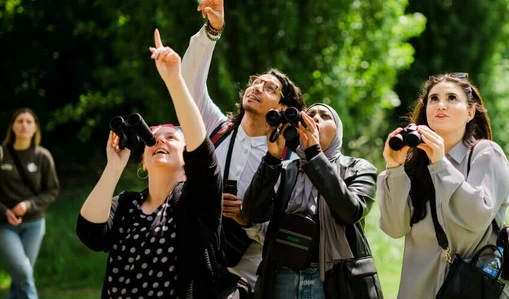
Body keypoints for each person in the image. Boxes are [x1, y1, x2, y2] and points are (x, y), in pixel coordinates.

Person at [76, 29, 240, 298]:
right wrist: (114, 166)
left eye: (171, 137)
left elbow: (202, 153)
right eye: (153, 137)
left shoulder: (198, 202)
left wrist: (174, 81)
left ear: (186, 157)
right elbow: (90, 232)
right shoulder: (126, 204)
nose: (159, 141)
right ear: (143, 161)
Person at [181, 0, 307, 291]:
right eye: (255, 82)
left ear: (284, 105)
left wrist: (246, 218)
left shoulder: (288, 159)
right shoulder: (216, 128)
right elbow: (188, 84)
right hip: (191, 261)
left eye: (269, 87)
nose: (256, 88)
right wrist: (212, 31)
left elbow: (285, 228)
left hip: (246, 278)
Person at [377, 73, 509, 298]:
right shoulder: (414, 166)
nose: (441, 105)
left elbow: (477, 217)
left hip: (472, 289)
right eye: (433, 99)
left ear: (470, 112)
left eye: (452, 98)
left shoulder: (486, 154)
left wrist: (440, 164)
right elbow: (395, 229)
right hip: (418, 290)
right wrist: (394, 169)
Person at [242, 103, 383, 299]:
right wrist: (272, 158)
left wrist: (315, 155)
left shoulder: (358, 168)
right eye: (309, 115)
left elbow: (350, 211)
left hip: (334, 279)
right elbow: (252, 213)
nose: (316, 119)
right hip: (282, 276)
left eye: (325, 116)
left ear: (338, 131)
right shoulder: (285, 169)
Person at [0, 108, 60, 299]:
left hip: (34, 224)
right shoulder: (2, 154)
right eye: (20, 121)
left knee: (21, 276)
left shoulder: (42, 156)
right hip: (5, 224)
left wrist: (28, 205)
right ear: (12, 127)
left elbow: (52, 191)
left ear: (35, 128)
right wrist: (4, 211)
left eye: (29, 122)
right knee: (23, 270)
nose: (24, 125)